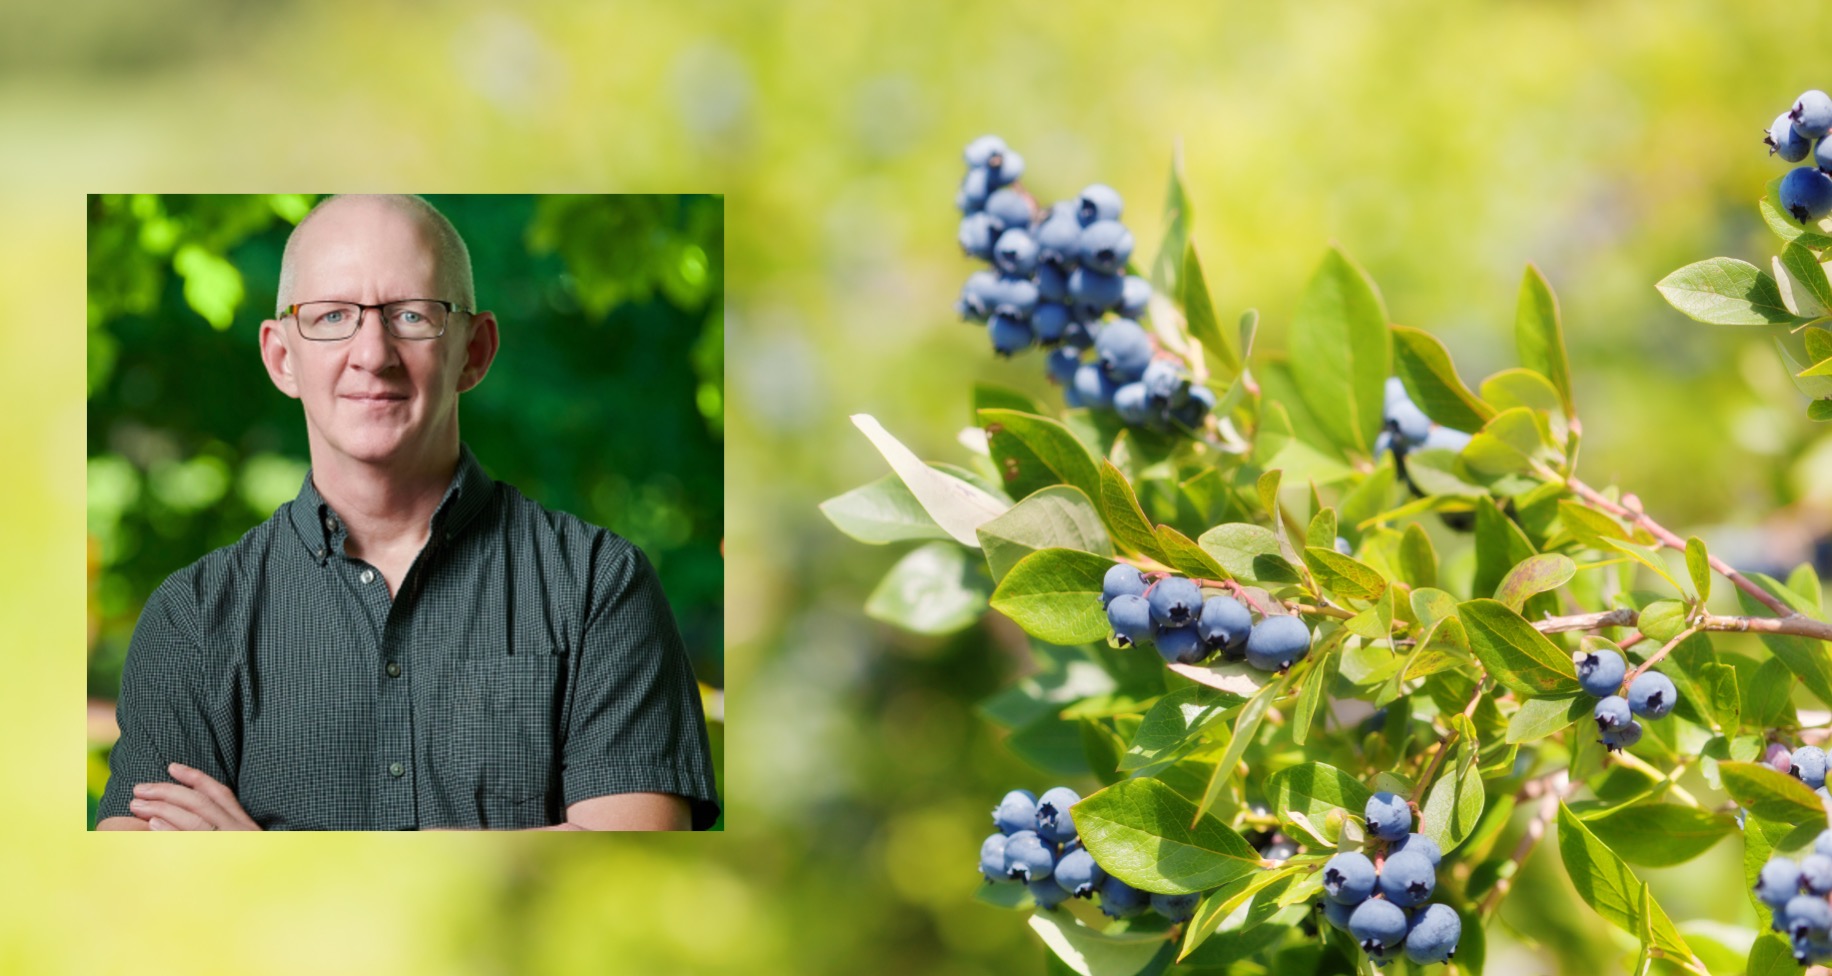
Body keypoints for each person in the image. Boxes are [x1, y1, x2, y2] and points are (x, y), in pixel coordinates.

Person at [95, 194, 720, 830]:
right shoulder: (192, 618)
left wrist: (263, 863)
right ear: (282, 357)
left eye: (412, 315)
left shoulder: (598, 586)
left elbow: (636, 862)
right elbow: (132, 886)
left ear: (474, 352)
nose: (373, 352)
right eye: (332, 315)